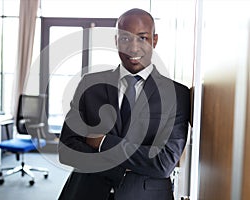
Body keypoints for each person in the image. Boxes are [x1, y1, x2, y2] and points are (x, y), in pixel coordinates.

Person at [58, 8, 190, 200]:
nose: (133, 48)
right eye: (125, 39)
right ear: (116, 41)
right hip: (84, 193)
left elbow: (164, 162)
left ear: (155, 40)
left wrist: (103, 142)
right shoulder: (90, 85)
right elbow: (66, 150)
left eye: (142, 38)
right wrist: (139, 158)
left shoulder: (177, 95)